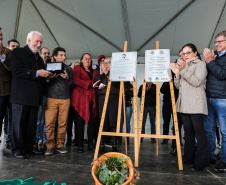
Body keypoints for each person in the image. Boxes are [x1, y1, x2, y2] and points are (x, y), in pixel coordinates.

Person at [10, 31, 51, 159]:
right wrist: (37, 73)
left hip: (34, 97)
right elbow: (17, 71)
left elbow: (40, 77)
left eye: (40, 42)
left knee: (31, 124)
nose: (39, 44)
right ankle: (17, 149)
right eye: (36, 41)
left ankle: (28, 147)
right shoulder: (18, 52)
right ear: (28, 40)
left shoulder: (38, 59)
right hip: (20, 97)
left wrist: (48, 77)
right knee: (19, 124)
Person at [171, 43, 209, 170]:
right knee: (188, 133)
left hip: (196, 104)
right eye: (183, 53)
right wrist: (177, 74)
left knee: (199, 132)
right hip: (184, 104)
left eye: (187, 53)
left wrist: (183, 70)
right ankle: (188, 158)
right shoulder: (184, 66)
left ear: (195, 53)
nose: (185, 55)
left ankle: (201, 162)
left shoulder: (200, 64)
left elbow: (197, 82)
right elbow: (178, 86)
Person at [203, 30, 226, 172]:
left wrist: (210, 61)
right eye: (215, 41)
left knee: (224, 131)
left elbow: (222, 74)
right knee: (208, 129)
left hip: (223, 99)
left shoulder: (214, 59)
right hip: (209, 97)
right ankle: (210, 156)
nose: (216, 44)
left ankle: (224, 160)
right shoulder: (215, 57)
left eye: (219, 41)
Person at [45, 47, 73, 155]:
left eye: (64, 55)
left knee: (63, 123)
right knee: (50, 123)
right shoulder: (48, 67)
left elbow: (72, 84)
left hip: (65, 98)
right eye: (61, 55)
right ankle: (49, 146)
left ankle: (60, 145)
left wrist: (67, 79)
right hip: (51, 97)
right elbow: (44, 83)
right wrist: (48, 78)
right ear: (55, 56)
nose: (63, 57)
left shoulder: (69, 69)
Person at [71, 53, 99, 153]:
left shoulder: (95, 71)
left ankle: (90, 144)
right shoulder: (77, 68)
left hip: (92, 98)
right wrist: (90, 85)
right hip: (80, 99)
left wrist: (98, 86)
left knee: (92, 122)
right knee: (80, 122)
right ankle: (80, 145)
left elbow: (97, 82)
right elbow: (76, 81)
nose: (88, 60)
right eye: (85, 58)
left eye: (89, 59)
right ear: (81, 60)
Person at [95, 57, 120, 152]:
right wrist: (101, 74)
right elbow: (95, 84)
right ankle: (102, 143)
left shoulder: (116, 73)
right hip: (102, 98)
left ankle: (114, 143)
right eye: (104, 62)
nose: (106, 64)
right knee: (103, 121)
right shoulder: (101, 74)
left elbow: (117, 83)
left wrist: (106, 73)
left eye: (108, 62)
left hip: (113, 98)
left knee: (113, 121)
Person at [160, 50, 183, 153]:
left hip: (177, 103)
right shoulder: (166, 80)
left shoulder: (179, 78)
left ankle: (177, 140)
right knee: (166, 122)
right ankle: (165, 138)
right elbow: (161, 90)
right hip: (167, 104)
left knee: (176, 123)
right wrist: (167, 81)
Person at [4, 39, 20, 150]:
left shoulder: (19, 60)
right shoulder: (3, 58)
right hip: (2, 92)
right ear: (7, 47)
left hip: (14, 93)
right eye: (13, 46)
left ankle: (10, 140)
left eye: (17, 47)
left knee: (12, 118)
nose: (15, 48)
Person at [35, 47, 51, 150]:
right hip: (37, 96)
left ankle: (44, 140)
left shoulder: (51, 66)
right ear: (40, 54)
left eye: (48, 53)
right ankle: (36, 140)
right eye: (44, 53)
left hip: (48, 95)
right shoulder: (36, 65)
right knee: (37, 120)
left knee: (45, 120)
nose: (46, 55)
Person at [0, 28, 12, 145]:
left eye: (1, 34)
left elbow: (12, 69)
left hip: (6, 90)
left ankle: (10, 141)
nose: (1, 37)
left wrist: (1, 55)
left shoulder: (8, 52)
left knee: (9, 118)